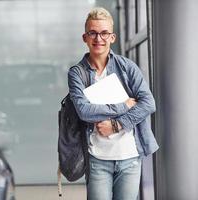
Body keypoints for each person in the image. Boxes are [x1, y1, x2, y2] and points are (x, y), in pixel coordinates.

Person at [68, 7, 159, 200]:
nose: (98, 38)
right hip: (97, 159)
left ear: (112, 37)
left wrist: (116, 125)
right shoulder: (77, 73)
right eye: (92, 33)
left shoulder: (127, 67)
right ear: (85, 37)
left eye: (104, 33)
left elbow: (148, 103)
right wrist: (125, 105)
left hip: (130, 158)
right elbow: (84, 111)